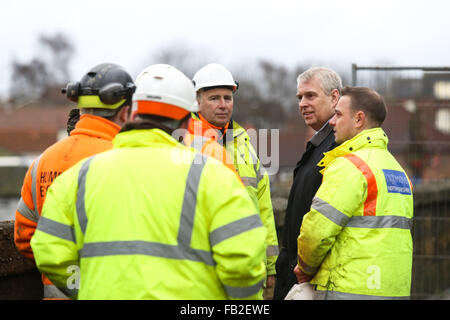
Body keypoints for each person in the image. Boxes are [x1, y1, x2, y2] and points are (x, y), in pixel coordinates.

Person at [30, 64, 267, 300]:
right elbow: (244, 264)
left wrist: (88, 288)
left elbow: (49, 251)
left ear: (130, 113)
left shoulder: (79, 176)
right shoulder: (214, 176)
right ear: (187, 120)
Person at [14, 62, 135, 299]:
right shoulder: (128, 160)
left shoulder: (42, 162)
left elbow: (24, 236)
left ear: (80, 109)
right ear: (124, 112)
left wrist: (66, 273)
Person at [294, 86, 414, 299]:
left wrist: (305, 267)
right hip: (394, 289)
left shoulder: (350, 167)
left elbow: (316, 232)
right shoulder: (398, 171)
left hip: (349, 289)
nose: (332, 121)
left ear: (358, 119)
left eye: (338, 114)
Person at [190, 63, 279, 296]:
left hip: (247, 266)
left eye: (228, 98)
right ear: (197, 101)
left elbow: (264, 209)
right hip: (200, 267)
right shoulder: (184, 142)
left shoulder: (244, 144)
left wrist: (270, 268)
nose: (223, 105)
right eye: (214, 98)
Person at [273, 67, 341, 299]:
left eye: (310, 96)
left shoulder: (338, 145)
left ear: (334, 97)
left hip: (311, 276)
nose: (302, 103)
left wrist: (304, 266)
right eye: (299, 97)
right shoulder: (321, 144)